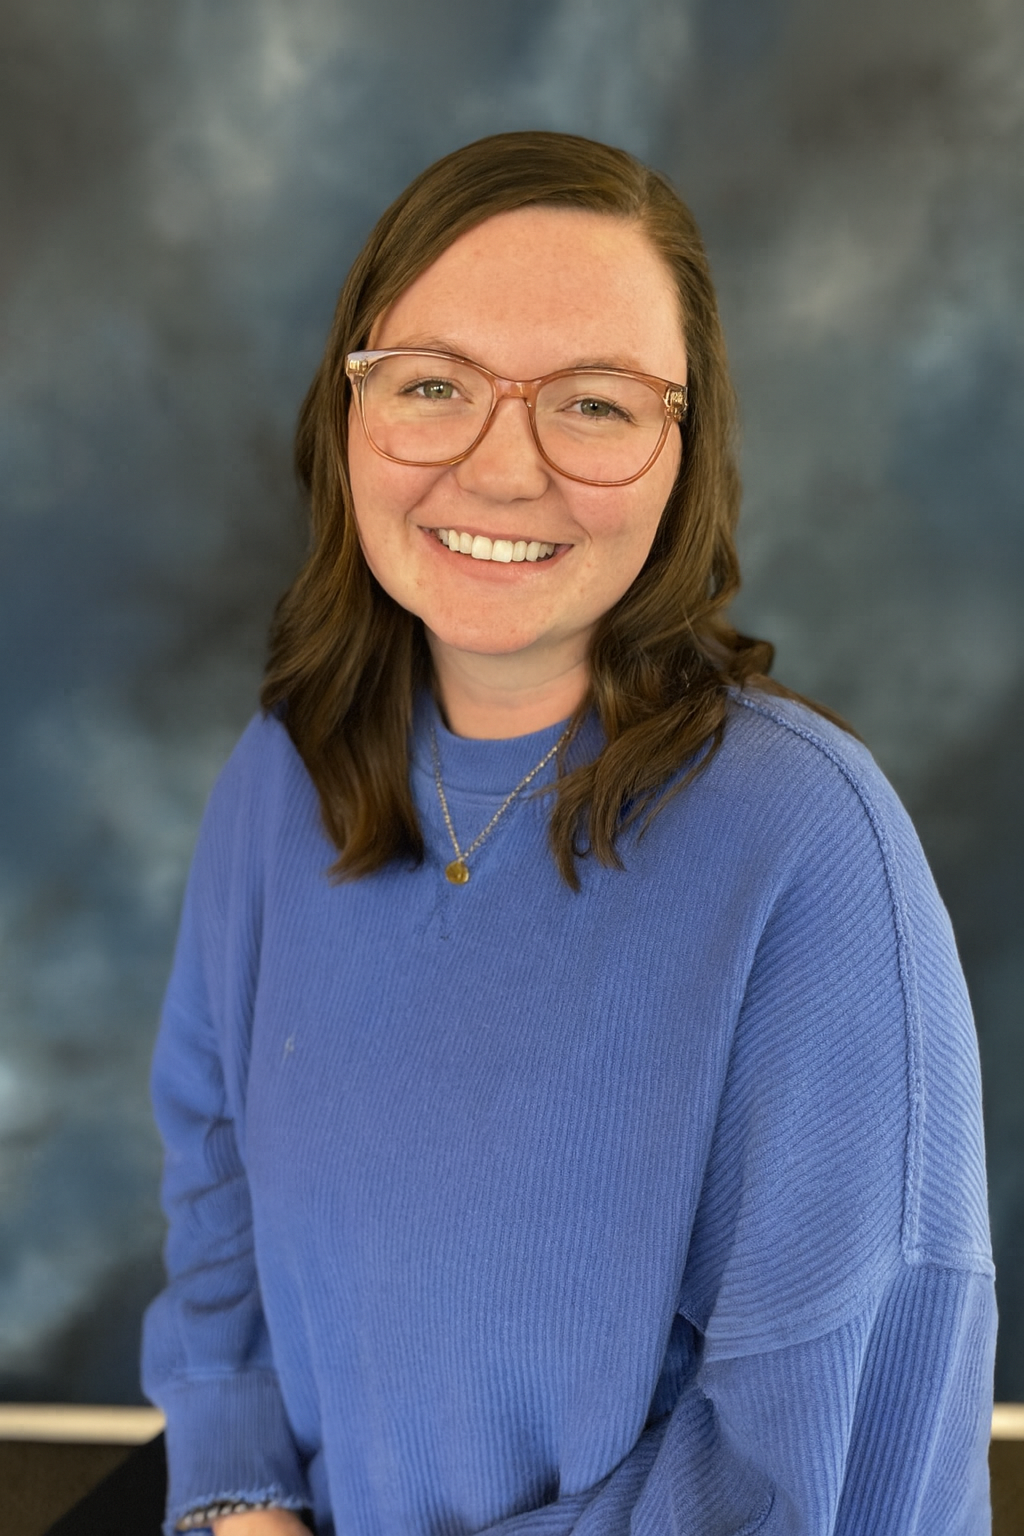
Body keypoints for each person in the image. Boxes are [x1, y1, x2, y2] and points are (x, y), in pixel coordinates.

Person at [142, 132, 997, 1536]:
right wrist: (241, 1499)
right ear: (349, 413)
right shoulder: (280, 780)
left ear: (684, 452)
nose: (501, 466)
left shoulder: (810, 852)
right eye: (434, 386)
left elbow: (826, 1472)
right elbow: (215, 1177)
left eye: (592, 405)